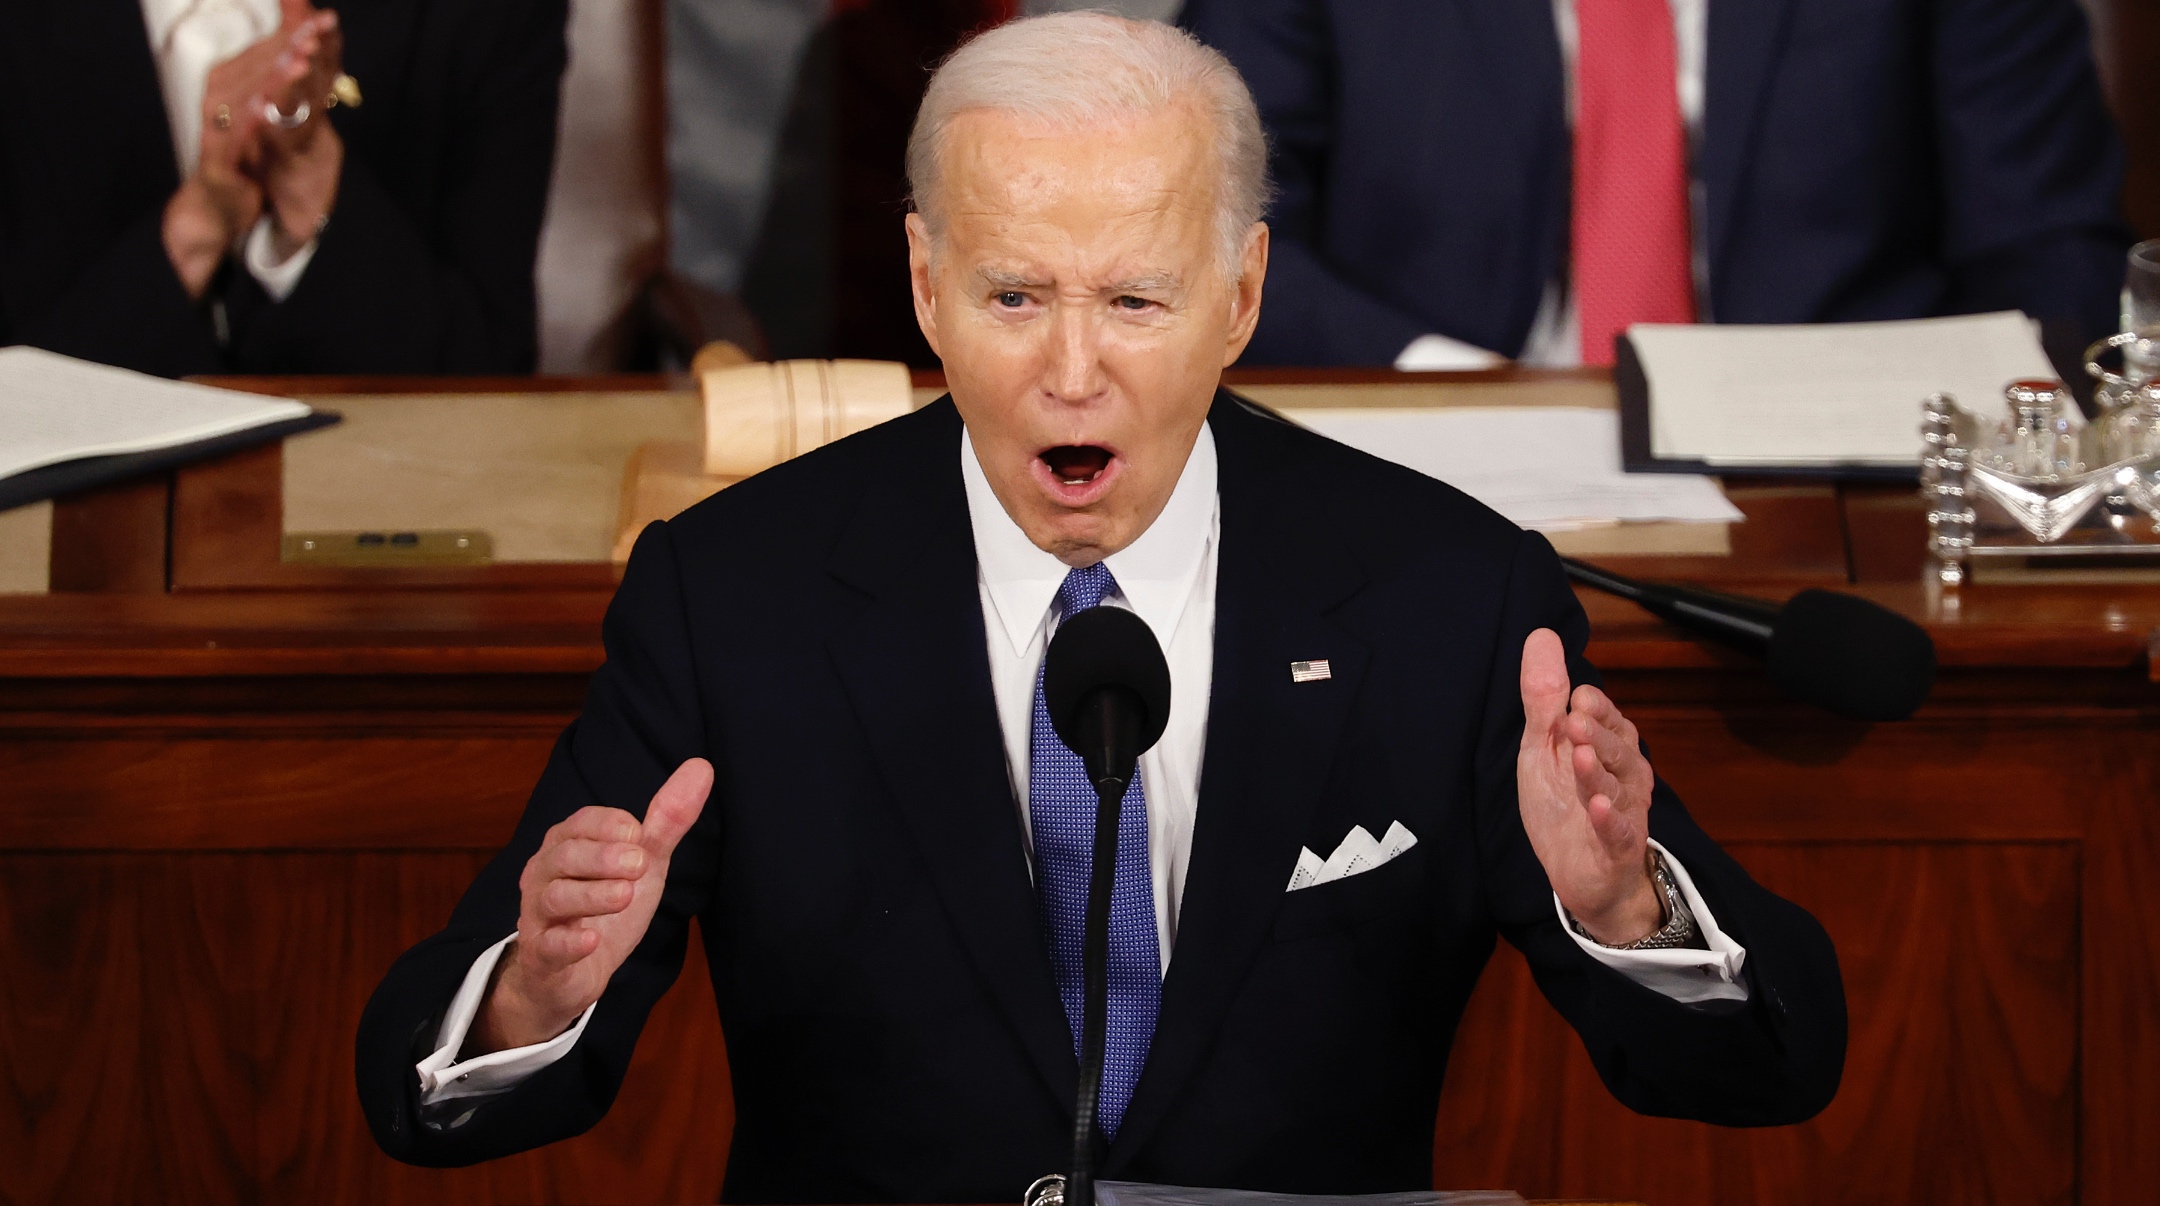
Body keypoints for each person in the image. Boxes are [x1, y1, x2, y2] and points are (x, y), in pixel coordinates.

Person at [357, 14, 1845, 1199]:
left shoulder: (1447, 596)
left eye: (1135, 300)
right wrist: (533, 989)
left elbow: (1774, 1063)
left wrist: (1625, 907)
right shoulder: (730, 594)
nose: (1074, 372)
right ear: (927, 288)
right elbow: (424, 1099)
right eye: (1015, 298)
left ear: (1241, 297)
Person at [1180, 0, 2135, 369]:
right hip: (1434, 450)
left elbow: (2045, 244)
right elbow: (1203, 228)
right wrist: (1447, 383)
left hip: (1834, 484)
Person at [0, 0, 567, 377]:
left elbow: (489, 373)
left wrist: (312, 183)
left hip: (378, 513)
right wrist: (195, 228)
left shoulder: (490, 15)